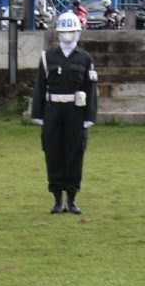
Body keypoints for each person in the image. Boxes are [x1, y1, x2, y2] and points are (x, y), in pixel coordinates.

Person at [30, 11, 98, 215]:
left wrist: (89, 116)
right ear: (58, 33)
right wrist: (38, 114)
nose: (68, 35)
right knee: (53, 154)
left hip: (75, 112)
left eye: (71, 31)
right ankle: (57, 199)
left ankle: (72, 198)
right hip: (53, 112)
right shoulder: (47, 57)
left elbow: (91, 88)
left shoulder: (85, 58)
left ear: (78, 33)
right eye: (64, 31)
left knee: (74, 155)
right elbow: (40, 87)